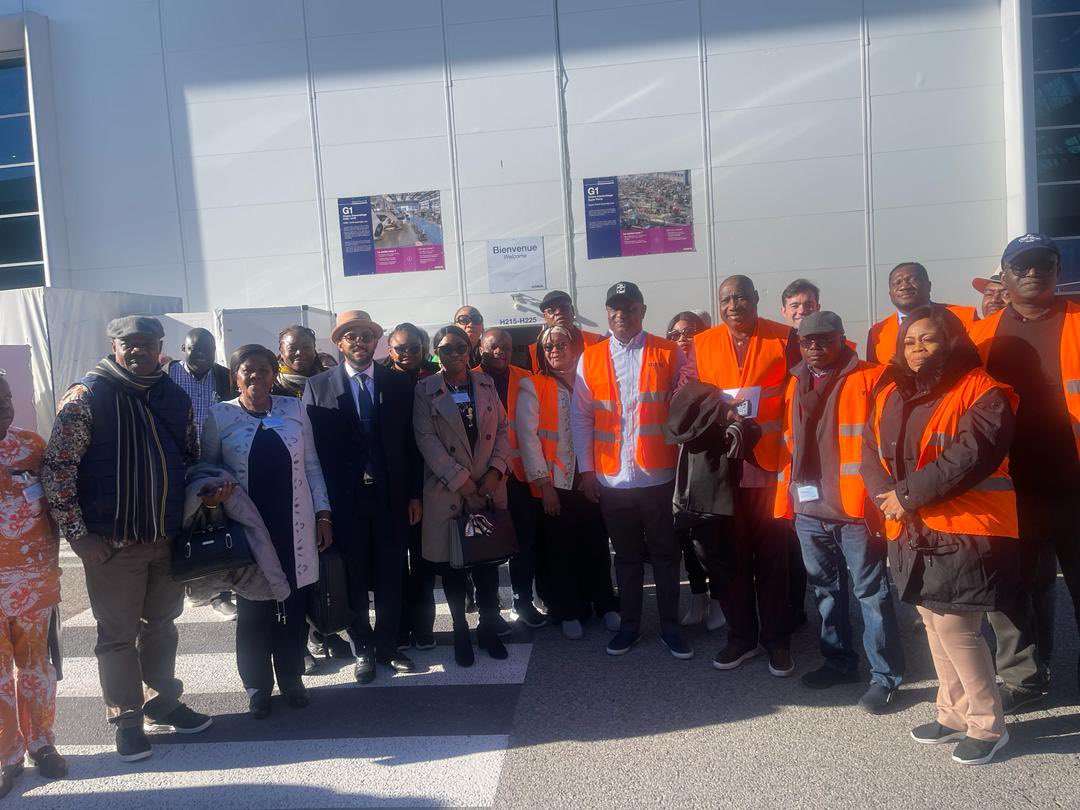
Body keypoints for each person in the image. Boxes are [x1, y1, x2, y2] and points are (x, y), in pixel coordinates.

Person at [41, 316, 216, 763]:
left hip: (167, 538)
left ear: (161, 346)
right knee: (117, 636)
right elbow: (57, 469)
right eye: (128, 344)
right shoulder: (86, 397)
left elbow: (191, 455)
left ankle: (162, 701)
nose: (137, 351)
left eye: (147, 343)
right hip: (111, 544)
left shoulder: (174, 396)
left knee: (161, 626)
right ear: (114, 346)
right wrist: (79, 537)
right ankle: (127, 720)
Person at [862, 304, 1019, 766]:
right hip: (912, 527)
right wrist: (884, 495)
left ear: (952, 341)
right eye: (909, 341)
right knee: (932, 622)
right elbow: (869, 448)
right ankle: (952, 713)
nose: (916, 348)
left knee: (957, 628)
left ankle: (988, 725)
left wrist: (905, 496)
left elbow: (971, 456)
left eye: (928, 339)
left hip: (964, 527)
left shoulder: (984, 391)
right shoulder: (890, 391)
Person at [969, 234, 1080, 711]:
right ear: (1004, 274)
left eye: (1044, 264)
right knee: (1013, 591)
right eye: (1023, 266)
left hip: (1075, 486)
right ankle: (1024, 679)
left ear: (1057, 271)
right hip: (1010, 490)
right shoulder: (982, 336)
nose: (1034, 273)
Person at [774, 311, 904, 713]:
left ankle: (885, 677)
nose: (815, 346)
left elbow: (888, 440)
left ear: (842, 339)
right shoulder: (794, 381)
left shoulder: (872, 377)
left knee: (870, 593)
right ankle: (839, 662)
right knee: (826, 591)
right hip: (810, 508)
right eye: (808, 341)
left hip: (854, 507)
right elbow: (788, 443)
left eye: (824, 339)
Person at [199, 344, 333, 718]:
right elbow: (206, 470)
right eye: (247, 370)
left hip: (294, 525)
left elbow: (312, 466)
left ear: (275, 373)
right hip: (248, 531)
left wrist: (324, 514)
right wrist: (212, 494)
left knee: (292, 606)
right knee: (253, 611)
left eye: (263, 369)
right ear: (235, 376)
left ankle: (292, 678)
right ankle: (257, 687)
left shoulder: (294, 409)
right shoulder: (219, 416)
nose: (255, 375)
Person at [572, 281, 691, 659]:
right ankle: (630, 627)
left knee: (666, 556)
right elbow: (581, 418)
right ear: (607, 312)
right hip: (612, 479)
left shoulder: (668, 352)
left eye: (629, 307)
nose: (621, 314)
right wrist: (587, 472)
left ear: (642, 310)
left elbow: (686, 404)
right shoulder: (590, 357)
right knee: (624, 558)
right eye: (615, 308)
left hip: (658, 476)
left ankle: (671, 629)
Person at [689, 275, 798, 676]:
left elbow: (797, 399)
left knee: (772, 558)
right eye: (726, 299)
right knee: (730, 558)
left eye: (741, 298)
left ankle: (776, 640)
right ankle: (741, 637)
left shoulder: (784, 338)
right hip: (722, 469)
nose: (734, 305)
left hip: (769, 466)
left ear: (756, 299)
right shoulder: (702, 344)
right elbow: (691, 400)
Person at [305, 310, 421, 682]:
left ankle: (388, 645)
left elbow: (411, 444)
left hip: (391, 498)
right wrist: (321, 509)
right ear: (340, 343)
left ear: (377, 342)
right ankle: (363, 649)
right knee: (352, 577)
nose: (359, 342)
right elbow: (314, 453)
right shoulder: (318, 386)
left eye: (366, 336)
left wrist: (414, 495)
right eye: (351, 336)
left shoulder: (398, 384)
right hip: (345, 501)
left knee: (391, 574)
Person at [413, 325, 512, 666]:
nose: (453, 354)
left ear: (469, 351)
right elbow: (426, 440)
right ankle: (459, 630)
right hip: (449, 490)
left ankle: (487, 627)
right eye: (445, 348)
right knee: (454, 567)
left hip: (488, 487)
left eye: (460, 348)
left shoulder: (485, 384)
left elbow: (502, 429)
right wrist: (463, 482)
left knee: (486, 564)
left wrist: (496, 471)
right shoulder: (425, 390)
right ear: (436, 352)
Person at [518, 325, 619, 639]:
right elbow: (528, 439)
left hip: (593, 475)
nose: (556, 350)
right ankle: (568, 609)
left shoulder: (592, 381)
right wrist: (544, 485)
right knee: (560, 549)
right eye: (549, 347)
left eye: (562, 344)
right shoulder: (532, 385)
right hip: (555, 483)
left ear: (577, 346)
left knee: (596, 543)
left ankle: (604, 603)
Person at [0, 371, 66, 794]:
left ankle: (41, 743)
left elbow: (59, 500)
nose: (3, 406)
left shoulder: (32, 446)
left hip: (34, 579)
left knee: (36, 666)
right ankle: (7, 754)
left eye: (5, 397)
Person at [167, 328, 238, 620]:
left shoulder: (224, 376)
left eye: (208, 350)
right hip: (176, 463)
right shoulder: (166, 376)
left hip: (214, 462)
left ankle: (219, 593)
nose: (202, 356)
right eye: (195, 350)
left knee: (215, 524)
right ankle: (187, 586)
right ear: (183, 347)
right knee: (181, 525)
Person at [477, 328, 546, 628]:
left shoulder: (525, 377)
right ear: (481, 348)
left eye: (506, 347)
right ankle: (489, 612)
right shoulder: (468, 378)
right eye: (494, 347)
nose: (501, 352)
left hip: (519, 475)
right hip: (487, 478)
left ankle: (523, 602)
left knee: (525, 543)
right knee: (487, 549)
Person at [381, 322, 438, 650]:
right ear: (389, 349)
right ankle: (400, 628)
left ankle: (423, 625)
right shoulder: (380, 380)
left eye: (413, 348)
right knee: (394, 564)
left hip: (432, 480)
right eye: (399, 348)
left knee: (424, 560)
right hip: (394, 483)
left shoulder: (435, 376)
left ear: (423, 349)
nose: (406, 354)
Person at [666, 311, 723, 628]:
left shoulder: (712, 364)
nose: (682, 338)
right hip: (673, 464)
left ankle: (718, 601)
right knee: (684, 535)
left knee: (709, 536)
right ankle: (698, 597)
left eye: (689, 332)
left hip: (707, 463)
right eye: (675, 334)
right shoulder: (667, 370)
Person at [865, 262, 978, 364]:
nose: (904, 286)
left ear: (928, 286)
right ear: (890, 294)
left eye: (911, 280)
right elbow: (875, 379)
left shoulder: (965, 316)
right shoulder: (876, 333)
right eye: (897, 282)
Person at [527, 290, 604, 371]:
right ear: (545, 317)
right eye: (551, 311)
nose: (558, 312)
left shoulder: (598, 342)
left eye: (563, 308)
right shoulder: (533, 351)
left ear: (573, 311)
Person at [274, 325, 330, 398]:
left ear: (314, 349)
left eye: (306, 347)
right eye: (292, 348)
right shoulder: (271, 385)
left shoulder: (330, 380)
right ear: (281, 351)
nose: (299, 352)